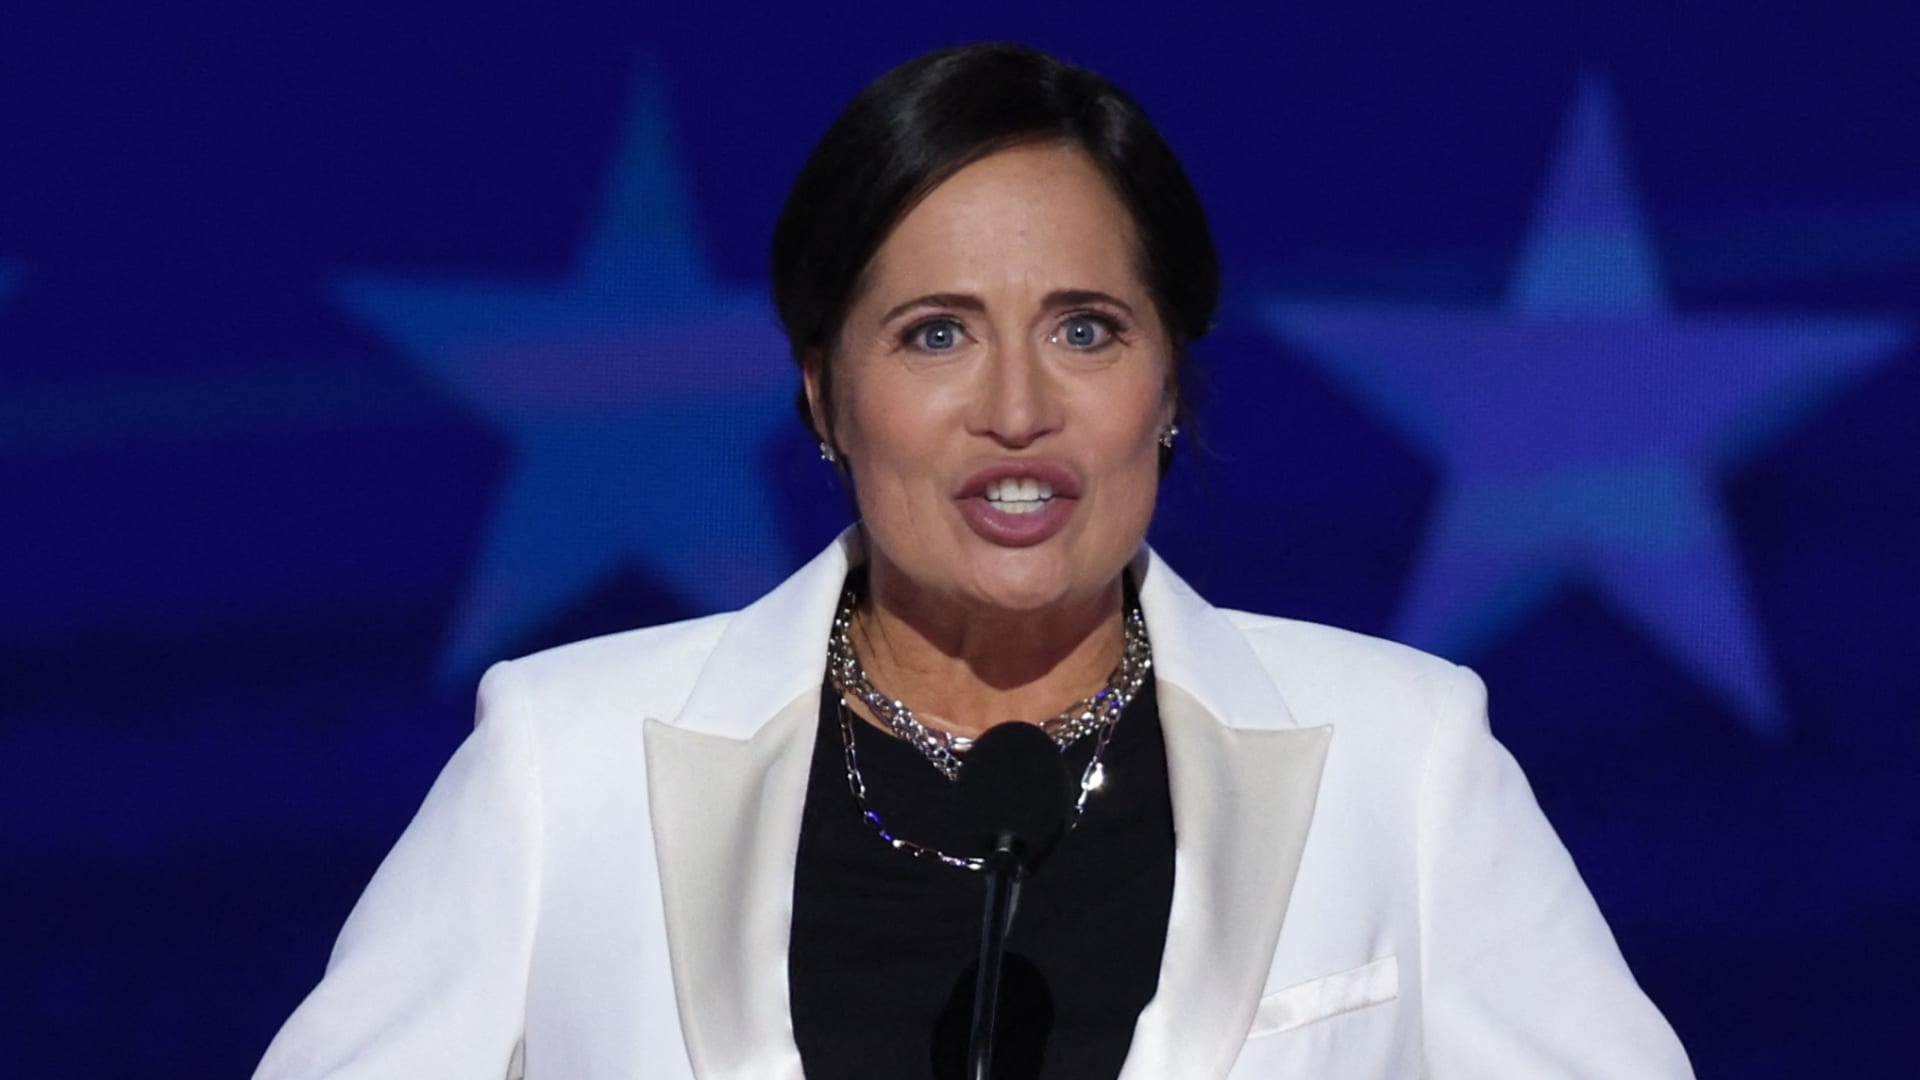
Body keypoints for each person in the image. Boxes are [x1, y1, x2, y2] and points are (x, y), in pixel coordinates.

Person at [256, 43, 1692, 1079]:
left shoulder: (1403, 755)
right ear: (824, 394)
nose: (1016, 408)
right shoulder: (565, 760)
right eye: (935, 333)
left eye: (1086, 330)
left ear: (1170, 386)